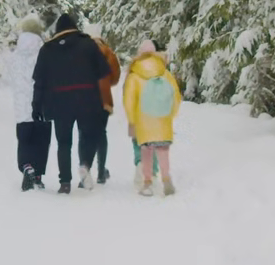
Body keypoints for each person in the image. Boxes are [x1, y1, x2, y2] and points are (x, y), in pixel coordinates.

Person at [31, 13, 118, 193]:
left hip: (59, 102)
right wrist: (104, 100)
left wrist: (36, 106)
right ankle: (85, 164)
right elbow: (103, 72)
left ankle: (64, 183)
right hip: (87, 100)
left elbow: (39, 81)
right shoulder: (89, 45)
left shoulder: (47, 49)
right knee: (87, 136)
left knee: (64, 143)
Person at [122, 39, 182, 196]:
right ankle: (166, 180)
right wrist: (170, 114)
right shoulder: (164, 72)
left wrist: (132, 119)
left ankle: (147, 184)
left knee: (146, 152)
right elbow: (175, 96)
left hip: (144, 121)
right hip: (162, 120)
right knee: (163, 151)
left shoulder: (135, 74)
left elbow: (129, 100)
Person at [7, 15, 49, 190]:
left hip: (22, 106)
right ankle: (37, 175)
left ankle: (27, 167)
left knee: (24, 140)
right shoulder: (44, 52)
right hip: (42, 105)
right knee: (42, 141)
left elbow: (11, 76)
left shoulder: (16, 55)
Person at [88, 26, 123, 187]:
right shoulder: (108, 52)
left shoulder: (82, 52)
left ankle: (86, 168)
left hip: (85, 99)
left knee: (85, 134)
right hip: (104, 100)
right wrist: (106, 82)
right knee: (101, 133)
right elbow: (115, 77)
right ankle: (101, 171)